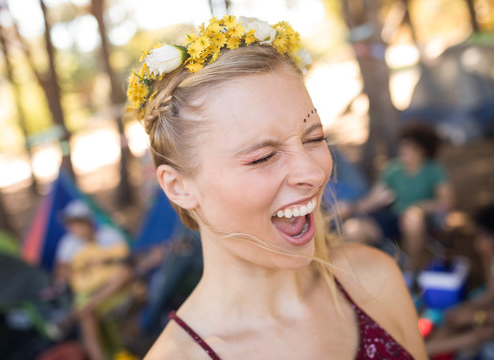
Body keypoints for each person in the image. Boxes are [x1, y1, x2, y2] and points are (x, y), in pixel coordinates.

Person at [126, 16, 427, 359]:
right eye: (263, 157)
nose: (313, 172)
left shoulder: (374, 281)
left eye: (314, 137)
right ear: (178, 187)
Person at [339, 123, 453, 277]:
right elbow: (373, 198)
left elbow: (445, 202)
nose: (404, 150)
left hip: (423, 221)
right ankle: (360, 276)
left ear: (423, 150)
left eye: (411, 147)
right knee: (353, 229)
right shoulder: (393, 169)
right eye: (404, 145)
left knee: (412, 219)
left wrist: (420, 208)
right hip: (392, 217)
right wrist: (352, 207)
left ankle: (410, 272)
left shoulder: (433, 170)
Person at [55, 200, 132, 360]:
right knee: (87, 317)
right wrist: (76, 270)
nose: (72, 228)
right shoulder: (67, 245)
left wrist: (103, 261)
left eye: (75, 224)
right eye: (69, 224)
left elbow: (126, 262)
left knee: (124, 275)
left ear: (87, 223)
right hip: (87, 290)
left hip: (113, 288)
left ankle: (88, 307)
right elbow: (60, 274)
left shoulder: (109, 235)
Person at [425, 203, 494, 358]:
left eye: (481, 236)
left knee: (477, 335)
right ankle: (419, 351)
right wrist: (468, 309)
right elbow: (491, 292)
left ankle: (417, 352)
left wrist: (476, 317)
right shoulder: (488, 255)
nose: (477, 243)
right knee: (453, 322)